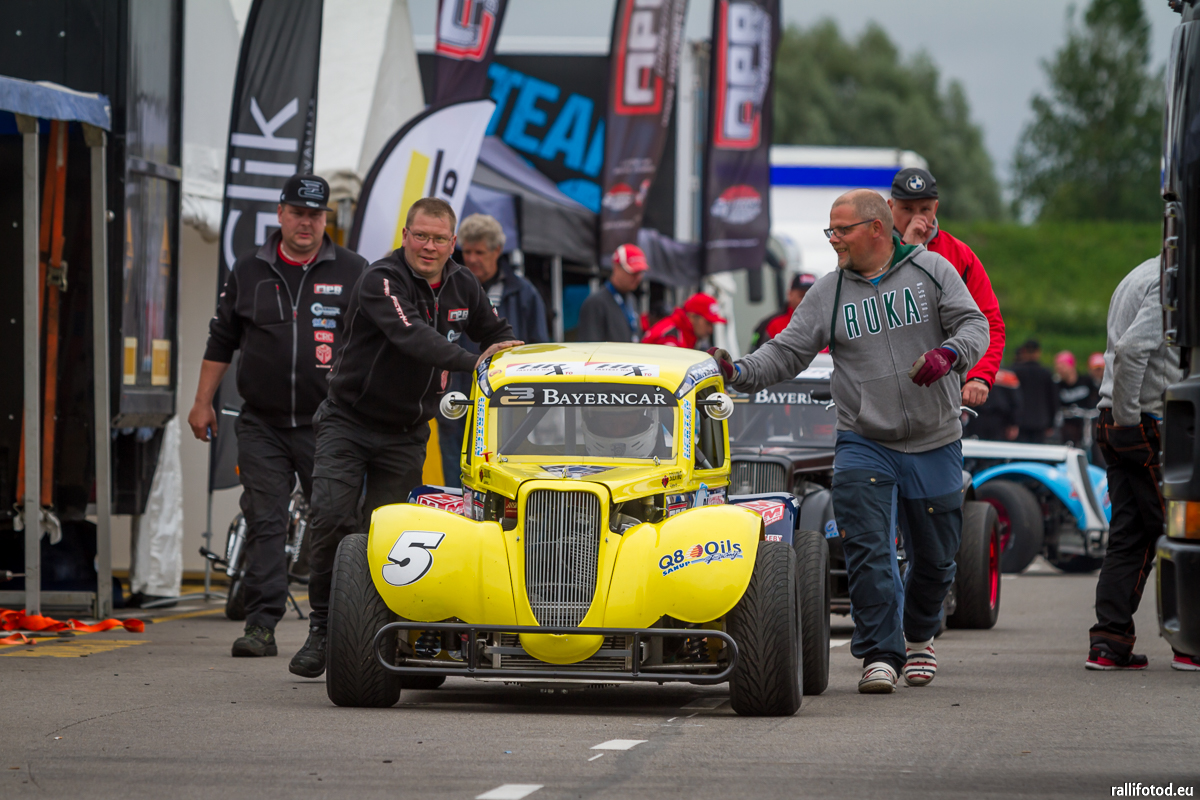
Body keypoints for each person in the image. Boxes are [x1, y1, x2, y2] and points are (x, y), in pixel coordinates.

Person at [711, 189, 989, 694]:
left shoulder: (932, 270)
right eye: (830, 231)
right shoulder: (829, 292)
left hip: (935, 438)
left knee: (937, 559)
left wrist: (950, 355)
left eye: (842, 230)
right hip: (864, 439)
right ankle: (880, 655)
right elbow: (788, 351)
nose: (833, 239)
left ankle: (919, 635)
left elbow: (976, 324)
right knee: (868, 550)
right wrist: (738, 372)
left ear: (876, 229)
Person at [288, 198, 522, 678]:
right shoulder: (380, 278)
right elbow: (412, 335)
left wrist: (520, 362)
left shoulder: (464, 283)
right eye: (421, 236)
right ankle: (323, 630)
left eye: (438, 239)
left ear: (452, 243)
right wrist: (473, 362)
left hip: (407, 433)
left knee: (388, 538)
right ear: (405, 235)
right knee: (332, 519)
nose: (428, 247)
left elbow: (498, 334)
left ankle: (382, 634)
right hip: (348, 422)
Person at [187, 174, 367, 659]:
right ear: (281, 213)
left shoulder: (354, 270)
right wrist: (202, 401)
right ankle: (261, 626)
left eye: (315, 215)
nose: (306, 223)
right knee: (265, 521)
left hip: (329, 424)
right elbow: (221, 339)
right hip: (262, 422)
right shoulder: (248, 268)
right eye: (298, 213)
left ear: (325, 219)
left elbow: (377, 340)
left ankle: (335, 627)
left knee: (334, 523)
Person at [1087, 258, 1198, 672]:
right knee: (1180, 531)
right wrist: (1129, 421)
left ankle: (1109, 641)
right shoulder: (1172, 280)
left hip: (1118, 417)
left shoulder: (1140, 273)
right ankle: (1191, 645)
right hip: (1145, 421)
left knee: (1130, 537)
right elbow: (1132, 349)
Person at [438, 214, 549, 486]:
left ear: (497, 250)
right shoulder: (449, 288)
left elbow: (540, 350)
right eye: (467, 252)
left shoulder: (523, 293)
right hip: (456, 401)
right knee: (456, 481)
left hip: (507, 407)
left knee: (503, 483)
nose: (472, 259)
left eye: (480, 252)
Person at [889, 168, 1005, 408]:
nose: (917, 219)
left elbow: (988, 322)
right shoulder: (873, 253)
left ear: (936, 208)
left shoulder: (961, 255)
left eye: (925, 209)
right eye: (907, 209)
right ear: (891, 207)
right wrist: (907, 251)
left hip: (944, 390)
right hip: (885, 390)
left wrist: (979, 377)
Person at [577, 243, 646, 342]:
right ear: (616, 267)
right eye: (633, 272)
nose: (637, 277)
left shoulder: (631, 300)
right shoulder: (595, 304)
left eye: (640, 272)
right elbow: (590, 346)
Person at [749, 273, 816, 352]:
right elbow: (759, 357)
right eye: (802, 296)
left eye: (812, 296)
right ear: (790, 294)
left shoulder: (826, 326)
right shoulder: (773, 325)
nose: (807, 300)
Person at [1011, 339, 1058, 443]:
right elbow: (1053, 399)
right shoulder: (1046, 373)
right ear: (1038, 352)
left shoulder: (1015, 372)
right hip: (1041, 421)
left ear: (1024, 352)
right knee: (1038, 450)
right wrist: (1051, 423)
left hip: (1020, 421)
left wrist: (1011, 421)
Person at [641, 292, 727, 349]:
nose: (710, 330)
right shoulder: (671, 337)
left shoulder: (684, 333)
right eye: (708, 323)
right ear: (692, 316)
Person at [1053, 350, 1098, 447]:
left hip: (1086, 423)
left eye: (1062, 367)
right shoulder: (1057, 385)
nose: (1060, 371)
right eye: (1058, 368)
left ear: (1071, 366)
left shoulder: (1086, 381)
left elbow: (1096, 398)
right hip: (1068, 426)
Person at [964, 368, 1022, 442]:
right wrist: (1014, 423)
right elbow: (1015, 401)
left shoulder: (972, 371)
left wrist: (1014, 423)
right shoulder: (1008, 375)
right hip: (997, 418)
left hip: (979, 415)